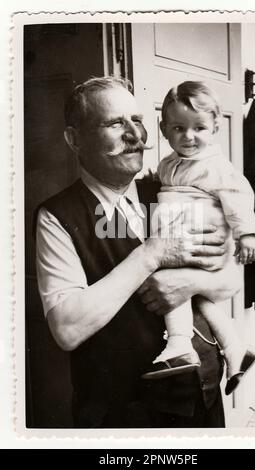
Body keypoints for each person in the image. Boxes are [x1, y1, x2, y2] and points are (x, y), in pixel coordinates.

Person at [35, 76, 236, 428]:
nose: (135, 135)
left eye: (138, 121)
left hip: (202, 398)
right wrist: (151, 254)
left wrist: (188, 283)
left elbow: (230, 281)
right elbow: (66, 329)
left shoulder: (173, 189)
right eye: (115, 123)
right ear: (75, 139)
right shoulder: (57, 216)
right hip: (124, 416)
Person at [142, 81, 255, 395]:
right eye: (178, 127)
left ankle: (180, 344)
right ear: (164, 129)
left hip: (199, 235)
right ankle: (235, 348)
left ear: (215, 127)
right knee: (199, 298)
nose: (189, 136)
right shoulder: (168, 163)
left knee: (170, 277)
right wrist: (154, 180)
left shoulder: (217, 167)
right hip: (184, 230)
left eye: (199, 128)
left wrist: (247, 233)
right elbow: (166, 181)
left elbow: (238, 196)